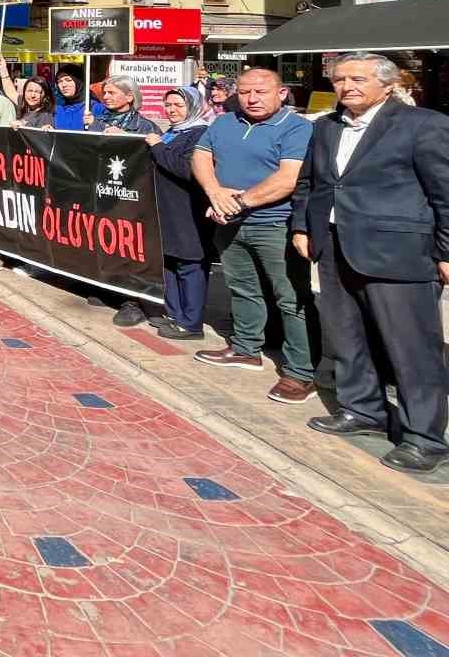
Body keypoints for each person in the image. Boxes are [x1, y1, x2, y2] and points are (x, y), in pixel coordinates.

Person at [293, 53, 449, 474]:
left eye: (358, 78)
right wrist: (302, 227)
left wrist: (447, 251)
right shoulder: (325, 127)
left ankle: (424, 437)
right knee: (348, 337)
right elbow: (310, 183)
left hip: (399, 253)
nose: (347, 86)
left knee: (411, 348)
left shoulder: (424, 125)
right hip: (335, 246)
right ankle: (362, 409)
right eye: (340, 78)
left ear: (388, 83)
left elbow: (444, 193)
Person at [191, 66, 318, 404]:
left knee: (291, 297)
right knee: (242, 287)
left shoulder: (297, 128)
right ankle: (247, 348)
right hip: (228, 222)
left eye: (261, 91)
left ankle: (300, 372)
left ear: (282, 93)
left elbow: (288, 178)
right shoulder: (224, 121)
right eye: (245, 91)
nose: (251, 98)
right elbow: (201, 155)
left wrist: (235, 202)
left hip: (275, 223)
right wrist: (214, 191)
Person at [142, 87, 214, 340]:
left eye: (178, 106)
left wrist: (159, 148)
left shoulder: (201, 134)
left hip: (187, 211)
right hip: (165, 209)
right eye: (168, 105)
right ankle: (174, 314)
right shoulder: (173, 132)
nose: (172, 110)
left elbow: (187, 169)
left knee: (189, 264)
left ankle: (191, 323)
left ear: (193, 106)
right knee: (169, 262)